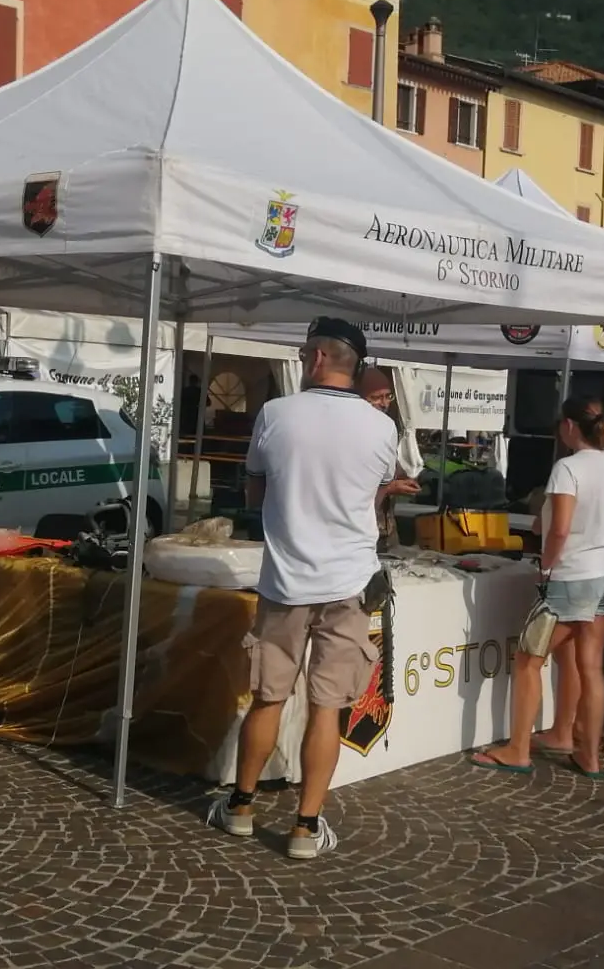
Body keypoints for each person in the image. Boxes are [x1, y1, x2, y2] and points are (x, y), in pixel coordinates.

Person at [208, 317, 397, 860]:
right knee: (327, 707)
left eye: (301, 351)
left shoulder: (274, 413)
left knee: (269, 698)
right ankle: (306, 827)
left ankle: (241, 807)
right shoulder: (382, 427)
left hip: (286, 580)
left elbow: (253, 488)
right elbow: (375, 496)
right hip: (349, 582)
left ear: (316, 358)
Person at [472, 398, 604, 777]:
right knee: (589, 665)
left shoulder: (568, 467)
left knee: (529, 659)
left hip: (573, 574)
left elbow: (558, 529)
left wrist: (547, 565)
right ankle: (585, 753)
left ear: (571, 426)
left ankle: (518, 749)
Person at [357, 368, 420, 552]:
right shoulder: (352, 435)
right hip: (361, 531)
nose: (384, 404)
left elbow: (395, 471)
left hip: (387, 531)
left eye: (388, 396)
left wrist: (405, 480)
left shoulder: (385, 431)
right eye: (376, 397)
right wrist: (391, 487)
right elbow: (352, 484)